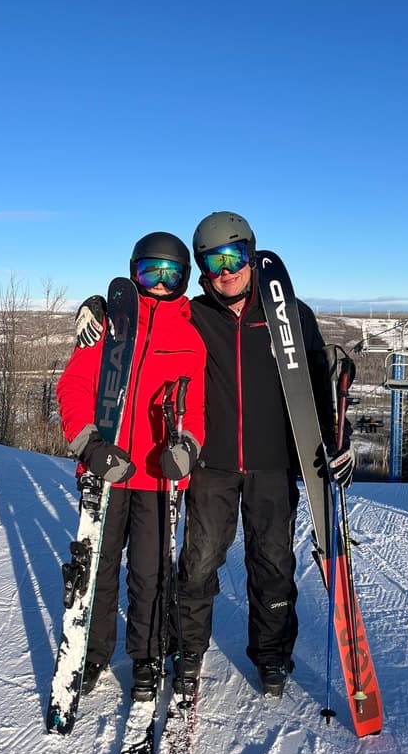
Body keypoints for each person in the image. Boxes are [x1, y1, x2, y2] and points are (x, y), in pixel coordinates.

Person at [76, 212, 353, 700]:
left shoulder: (291, 315)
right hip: (212, 466)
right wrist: (100, 305)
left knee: (273, 565)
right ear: (201, 269)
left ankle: (271, 656)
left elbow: (315, 386)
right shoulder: (195, 315)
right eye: (213, 262)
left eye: (234, 258)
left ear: (251, 255)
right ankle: (187, 649)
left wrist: (338, 438)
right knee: (199, 563)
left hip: (273, 463)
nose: (226, 271)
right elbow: (143, 320)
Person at [56, 232, 206, 701]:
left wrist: (185, 449)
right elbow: (73, 387)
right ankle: (93, 652)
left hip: (157, 478)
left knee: (150, 572)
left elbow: (196, 409)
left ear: (184, 279)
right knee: (98, 570)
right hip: (108, 468)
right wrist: (89, 445)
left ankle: (146, 656)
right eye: (150, 273)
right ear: (134, 272)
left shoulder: (191, 337)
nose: (160, 285)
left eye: (171, 275)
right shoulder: (110, 327)